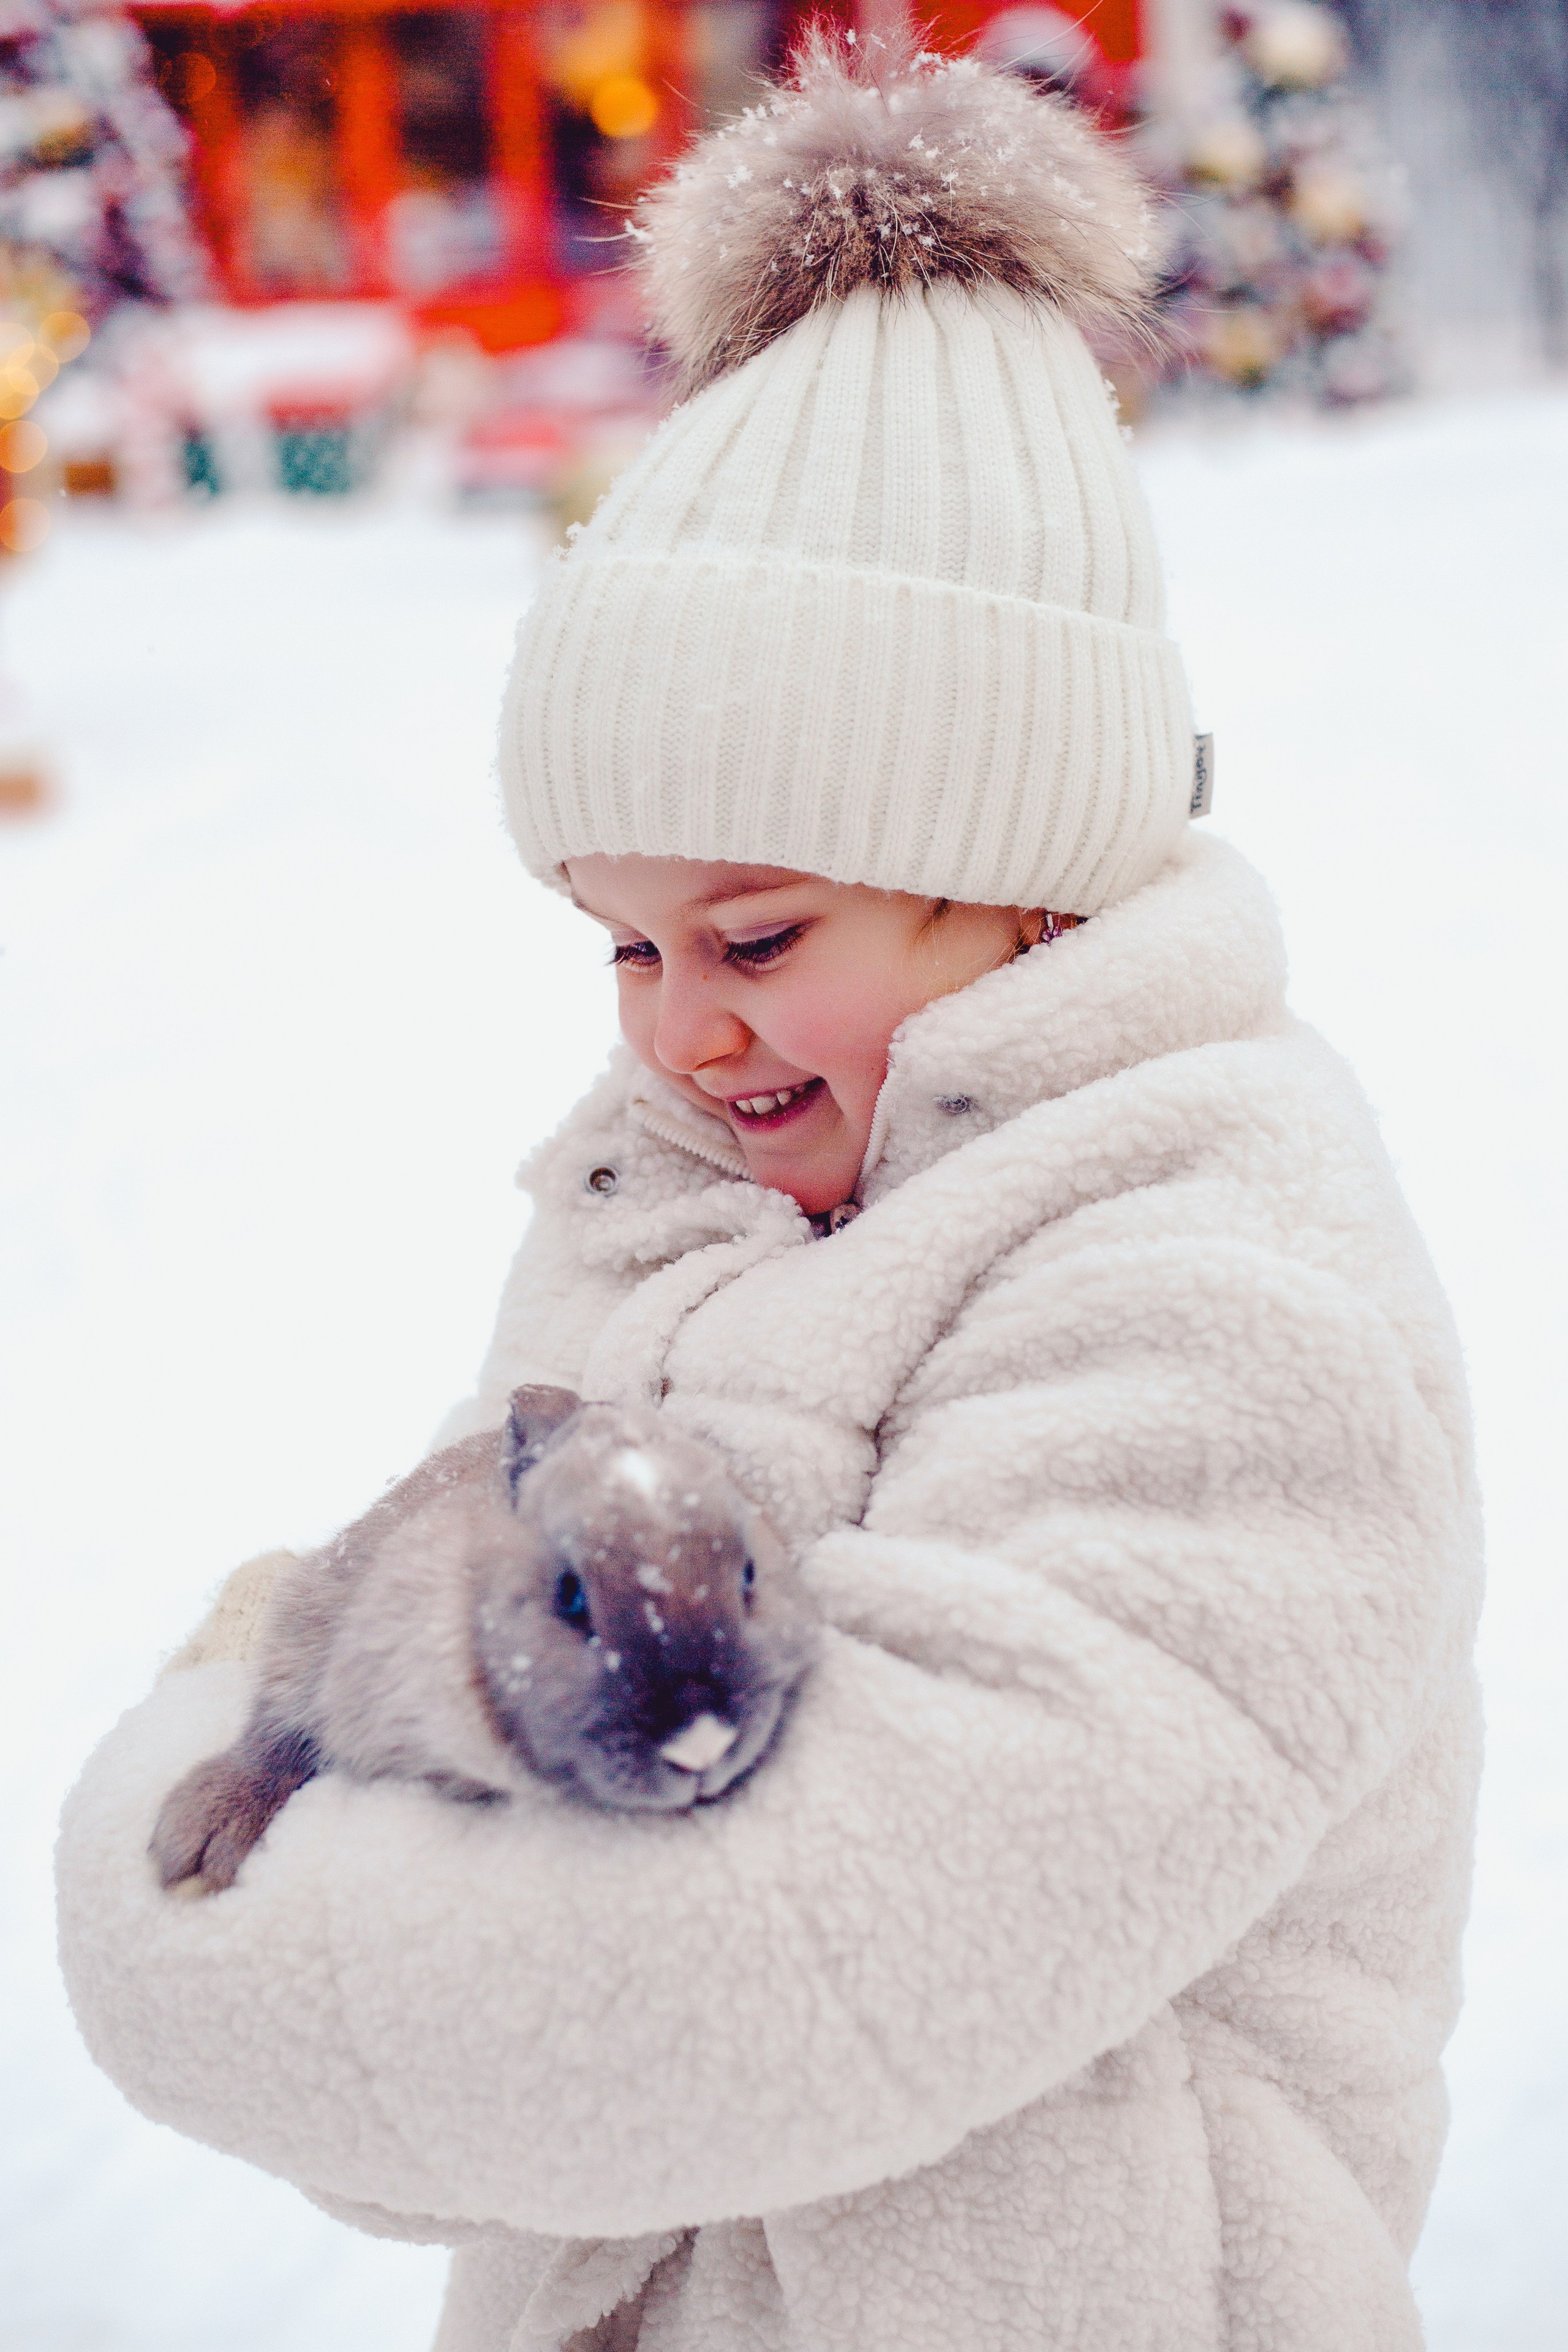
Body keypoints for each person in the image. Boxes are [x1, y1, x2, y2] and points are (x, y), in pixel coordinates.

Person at [56, 31, 1481, 2352]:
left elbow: (733, 2000)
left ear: (1011, 880)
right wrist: (294, 1739)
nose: (671, 1034)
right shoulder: (668, 1211)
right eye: (622, 942)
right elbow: (448, 2001)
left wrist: (206, 1797)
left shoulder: (1226, 1284)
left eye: (753, 938)